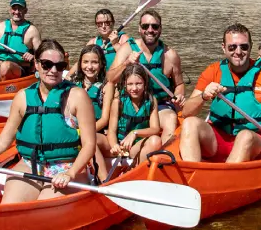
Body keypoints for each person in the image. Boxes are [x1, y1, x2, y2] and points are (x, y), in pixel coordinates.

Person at [0, 41, 96, 203]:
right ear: (36, 64)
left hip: (67, 167)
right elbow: (2, 142)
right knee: (9, 205)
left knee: (41, 207)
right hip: (30, 165)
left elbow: (89, 145)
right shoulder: (23, 97)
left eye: (60, 66)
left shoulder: (77, 96)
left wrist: (70, 173)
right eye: (47, 65)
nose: (53, 71)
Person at [179, 23, 261, 163]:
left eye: (244, 47)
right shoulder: (213, 71)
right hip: (218, 139)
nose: (238, 52)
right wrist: (203, 96)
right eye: (232, 47)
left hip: (253, 141)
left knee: (245, 136)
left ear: (250, 46)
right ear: (223, 47)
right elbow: (186, 113)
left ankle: (225, 179)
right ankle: (193, 173)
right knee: (190, 123)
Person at [108, 9, 184, 142]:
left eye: (155, 26)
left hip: (159, 106)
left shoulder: (170, 55)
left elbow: (179, 84)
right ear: (139, 28)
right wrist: (126, 63)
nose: (150, 30)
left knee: (171, 118)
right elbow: (110, 78)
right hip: (130, 103)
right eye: (145, 26)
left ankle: (163, 157)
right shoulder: (127, 49)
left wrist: (179, 96)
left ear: (160, 29)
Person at [107, 62, 163, 166]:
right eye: (130, 84)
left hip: (137, 144)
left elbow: (155, 129)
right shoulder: (118, 102)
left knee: (156, 140)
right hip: (121, 144)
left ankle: (138, 170)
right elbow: (111, 130)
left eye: (138, 83)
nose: (134, 88)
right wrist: (114, 145)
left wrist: (134, 133)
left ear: (145, 83)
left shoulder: (151, 100)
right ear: (124, 84)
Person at [75, 44, 115, 175]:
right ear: (80, 63)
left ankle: (103, 180)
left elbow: (104, 119)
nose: (89, 67)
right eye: (85, 62)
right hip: (75, 132)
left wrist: (81, 132)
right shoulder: (73, 84)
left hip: (100, 134)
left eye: (94, 62)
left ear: (102, 64)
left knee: (89, 139)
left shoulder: (107, 86)